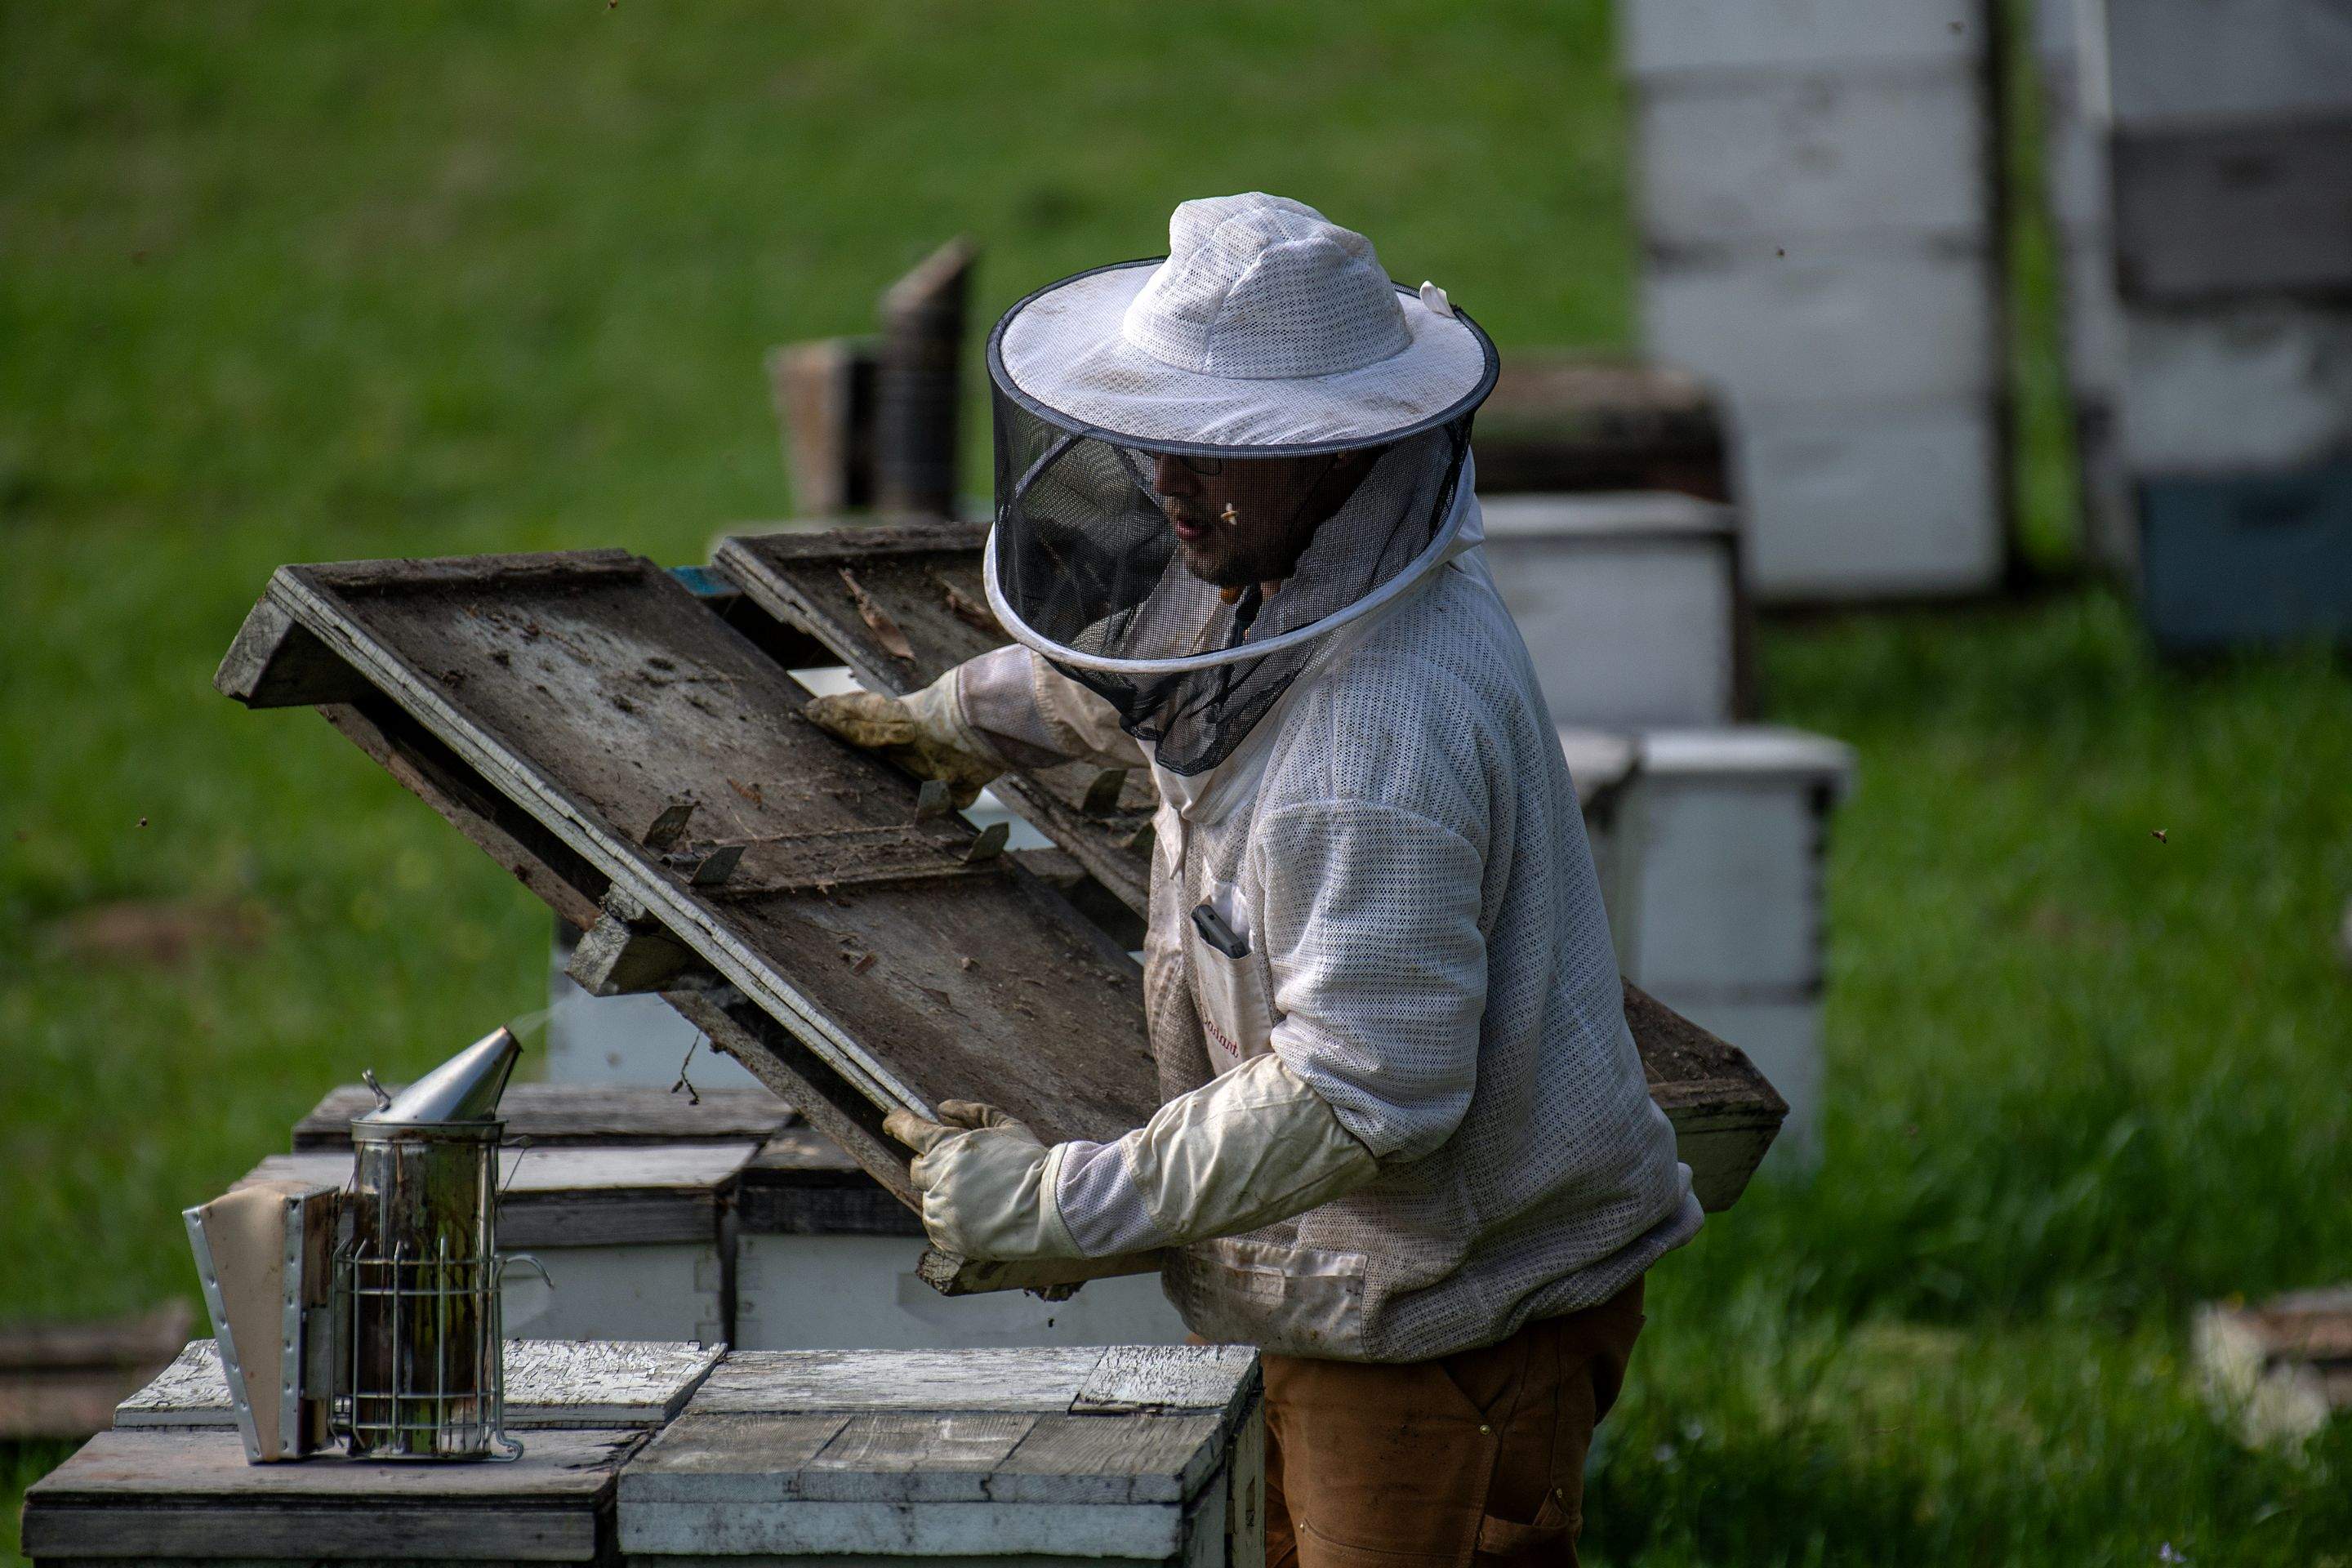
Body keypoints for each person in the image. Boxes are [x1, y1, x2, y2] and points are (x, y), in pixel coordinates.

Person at [808, 193, 1699, 1566]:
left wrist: (1060, 1206)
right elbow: (1187, 672)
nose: (1171, 480)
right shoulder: (1308, 563)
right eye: (1163, 435)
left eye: (1224, 452)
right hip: (1355, 1291)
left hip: (1449, 1319)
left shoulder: (1376, 746)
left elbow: (1363, 1091)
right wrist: (968, 718)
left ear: (1346, 460)